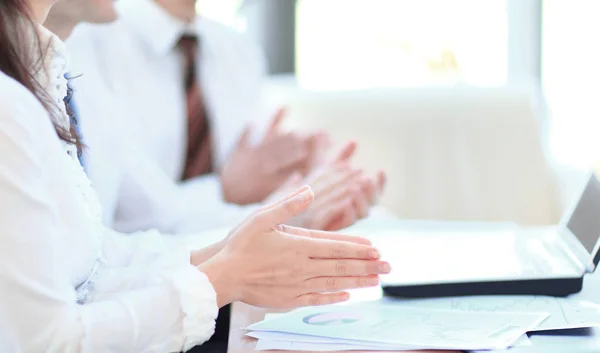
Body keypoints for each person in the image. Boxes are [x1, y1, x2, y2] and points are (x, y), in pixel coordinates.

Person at [0, 0, 392, 351]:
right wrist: (223, 271)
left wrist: (283, 216)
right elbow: (49, 334)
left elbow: (95, 261)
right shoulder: (36, 89)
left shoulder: (47, 72)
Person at [64, 0, 387, 234]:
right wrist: (225, 191)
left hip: (230, 266)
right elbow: (126, 219)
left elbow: (262, 179)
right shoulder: (84, 41)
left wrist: (313, 188)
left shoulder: (236, 49)